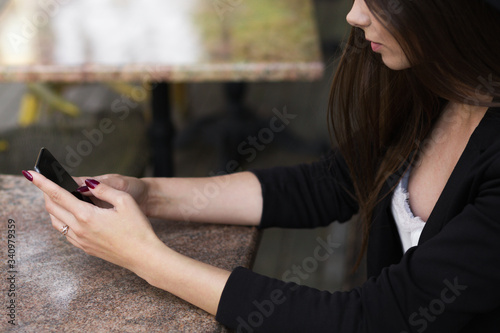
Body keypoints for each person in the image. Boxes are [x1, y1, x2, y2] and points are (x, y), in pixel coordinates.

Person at [22, 0, 500, 331]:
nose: (354, 15)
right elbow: (329, 184)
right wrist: (148, 192)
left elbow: (371, 321)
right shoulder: (442, 88)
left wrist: (146, 258)